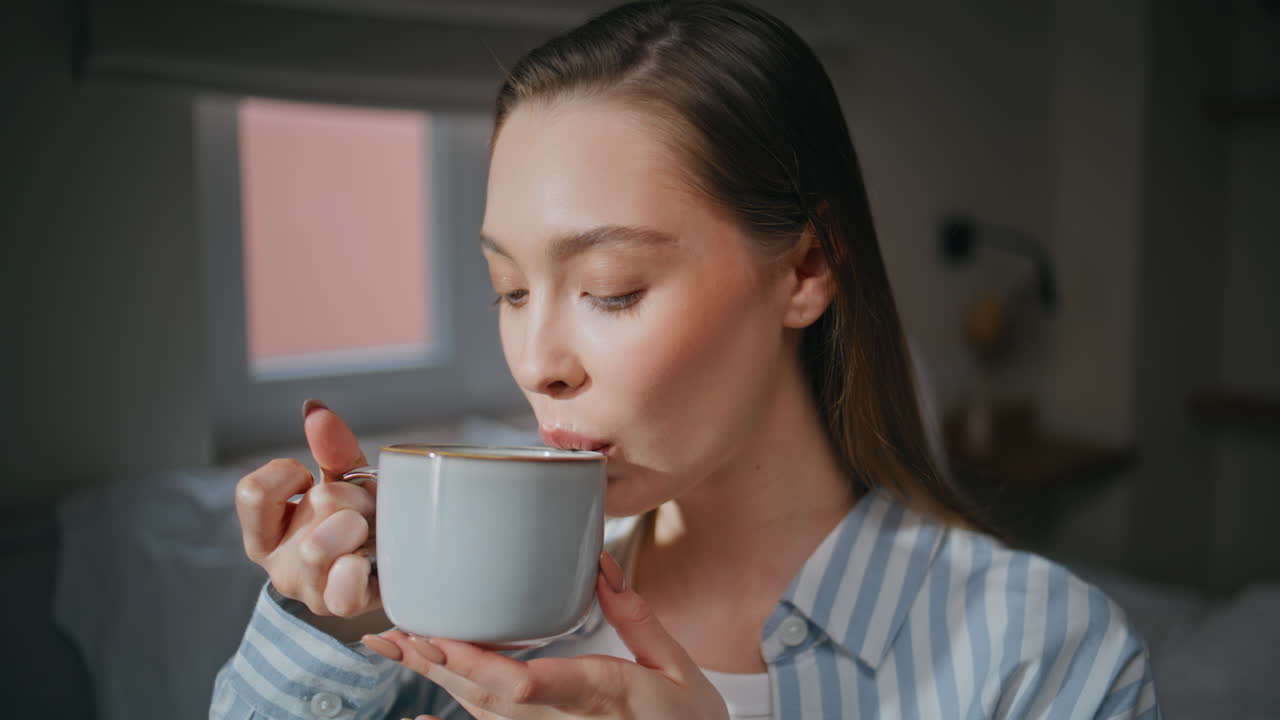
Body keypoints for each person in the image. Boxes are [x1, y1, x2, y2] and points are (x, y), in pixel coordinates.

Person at [211, 2, 1161, 718]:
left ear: (805, 268)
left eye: (612, 287)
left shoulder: (1041, 656)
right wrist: (331, 626)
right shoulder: (468, 628)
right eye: (508, 290)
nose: (537, 362)